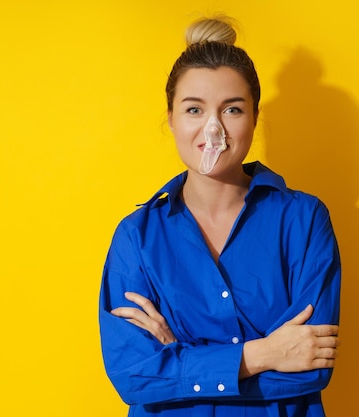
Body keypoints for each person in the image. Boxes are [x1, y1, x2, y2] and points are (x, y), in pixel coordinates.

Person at [99, 15, 342, 417]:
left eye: (231, 109)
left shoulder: (303, 220)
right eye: (194, 109)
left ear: (254, 117)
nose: (213, 131)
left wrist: (178, 359)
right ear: (171, 118)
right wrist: (265, 353)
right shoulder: (136, 237)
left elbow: (310, 368)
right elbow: (134, 376)